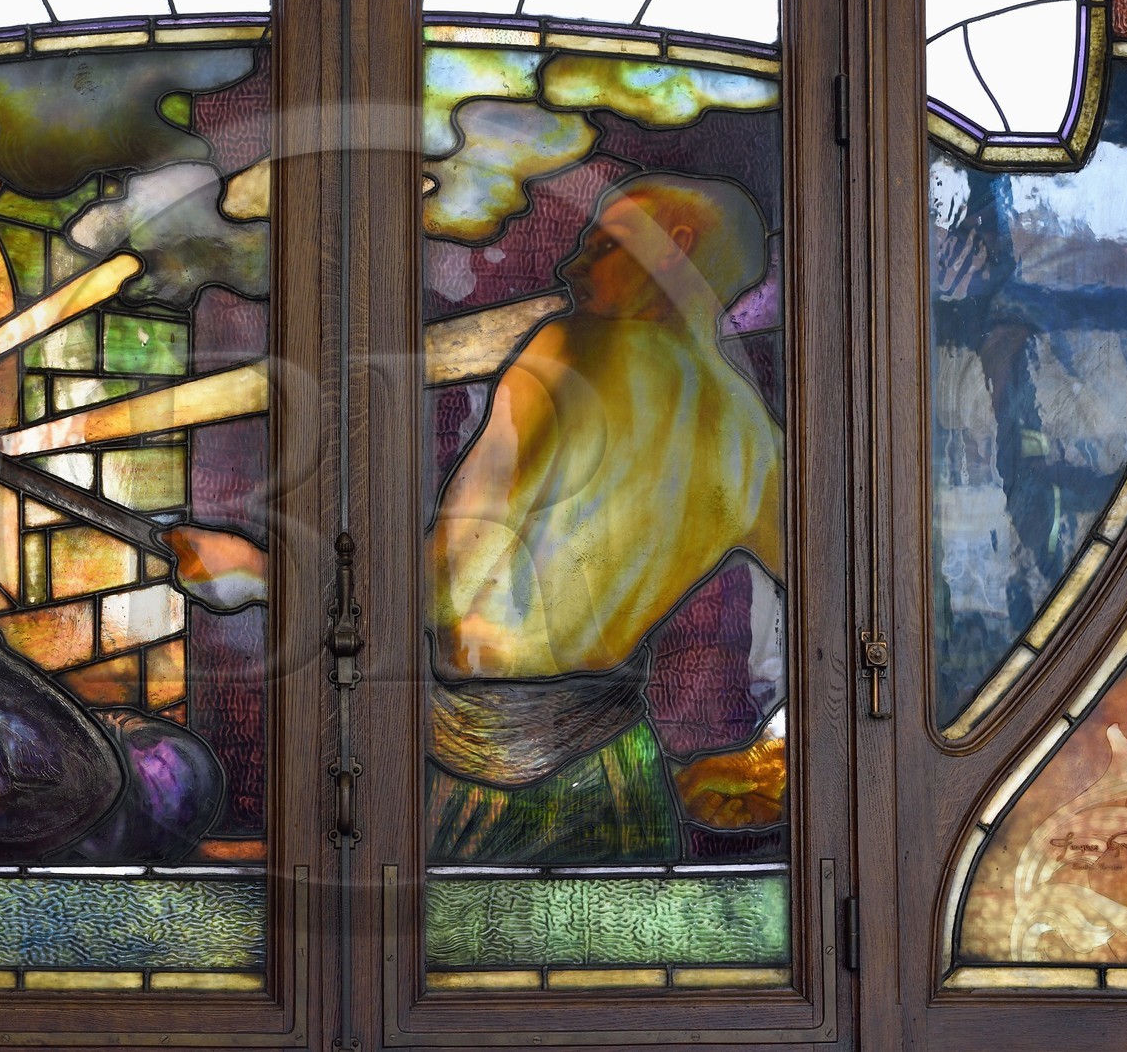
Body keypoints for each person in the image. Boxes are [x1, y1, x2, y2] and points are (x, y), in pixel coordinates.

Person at [164, 172, 782, 860]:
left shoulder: (572, 351)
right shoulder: (753, 438)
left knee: (423, 960)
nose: (572, 264)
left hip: (493, 786)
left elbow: (447, 590)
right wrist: (773, 750)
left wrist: (255, 572)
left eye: (604, 244)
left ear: (676, 247)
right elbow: (840, 609)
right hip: (617, 774)